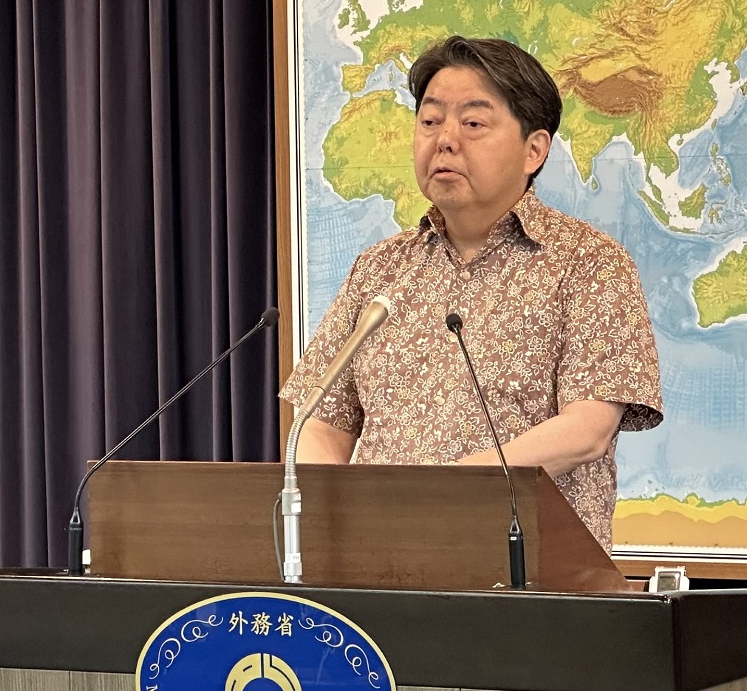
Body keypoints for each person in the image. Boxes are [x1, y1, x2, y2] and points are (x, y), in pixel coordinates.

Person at [279, 36, 663, 552]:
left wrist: (445, 494)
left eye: (473, 123)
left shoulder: (588, 263)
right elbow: (319, 422)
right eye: (430, 121)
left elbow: (587, 430)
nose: (444, 140)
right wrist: (344, 516)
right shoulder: (379, 270)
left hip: (528, 582)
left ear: (535, 149)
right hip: (381, 571)